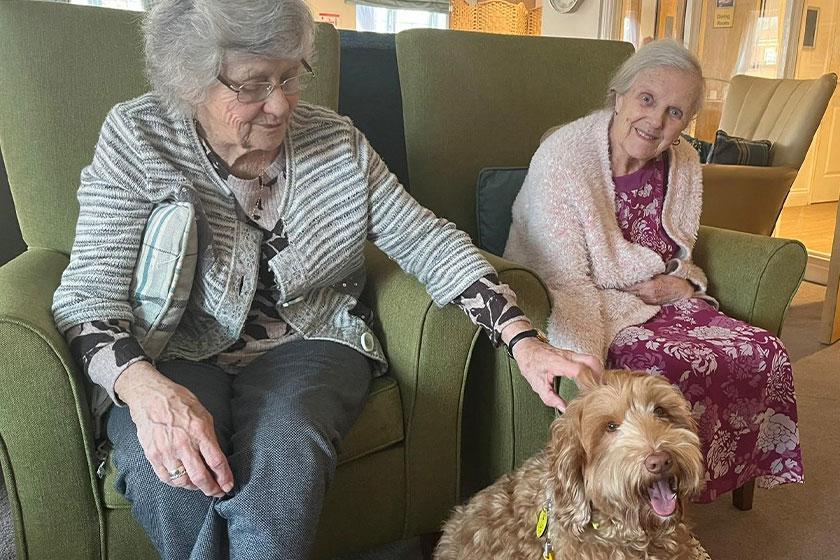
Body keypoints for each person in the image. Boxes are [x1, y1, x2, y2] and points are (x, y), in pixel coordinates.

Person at [51, 1, 600, 558]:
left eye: (290, 77)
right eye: (253, 85)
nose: (280, 103)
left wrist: (524, 341)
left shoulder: (336, 142)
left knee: (290, 450)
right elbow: (86, 298)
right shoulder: (138, 137)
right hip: (172, 348)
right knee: (168, 471)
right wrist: (145, 390)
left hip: (311, 338)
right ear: (189, 82)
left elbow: (425, 240)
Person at [504, 40, 803, 503]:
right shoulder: (564, 159)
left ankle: (702, 481)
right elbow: (564, 282)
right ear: (618, 95)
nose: (657, 121)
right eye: (647, 99)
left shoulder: (681, 160)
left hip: (660, 303)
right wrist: (585, 371)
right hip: (591, 302)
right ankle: (642, 494)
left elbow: (678, 249)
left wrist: (684, 283)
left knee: (764, 350)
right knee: (665, 369)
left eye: (675, 112)